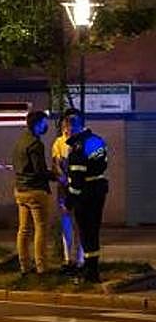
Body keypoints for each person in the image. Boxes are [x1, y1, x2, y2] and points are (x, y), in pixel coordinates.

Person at [65, 109, 109, 283]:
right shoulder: (97, 140)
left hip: (85, 194)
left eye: (67, 127)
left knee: (86, 232)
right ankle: (93, 268)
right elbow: (103, 164)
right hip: (99, 190)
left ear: (73, 126)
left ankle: (90, 273)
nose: (65, 131)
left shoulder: (78, 147)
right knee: (94, 231)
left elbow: (76, 180)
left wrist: (69, 201)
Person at [11, 109, 54, 275]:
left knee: (23, 230)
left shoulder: (20, 142)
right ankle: (42, 267)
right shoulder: (36, 144)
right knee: (40, 228)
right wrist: (57, 176)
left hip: (20, 190)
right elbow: (40, 171)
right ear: (37, 124)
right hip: (35, 191)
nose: (46, 126)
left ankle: (24, 265)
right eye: (44, 123)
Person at [51, 111, 84, 275]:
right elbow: (56, 163)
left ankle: (80, 259)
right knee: (66, 224)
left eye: (71, 126)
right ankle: (68, 259)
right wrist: (62, 177)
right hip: (64, 190)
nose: (68, 129)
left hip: (82, 189)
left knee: (80, 224)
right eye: (66, 126)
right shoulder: (59, 142)